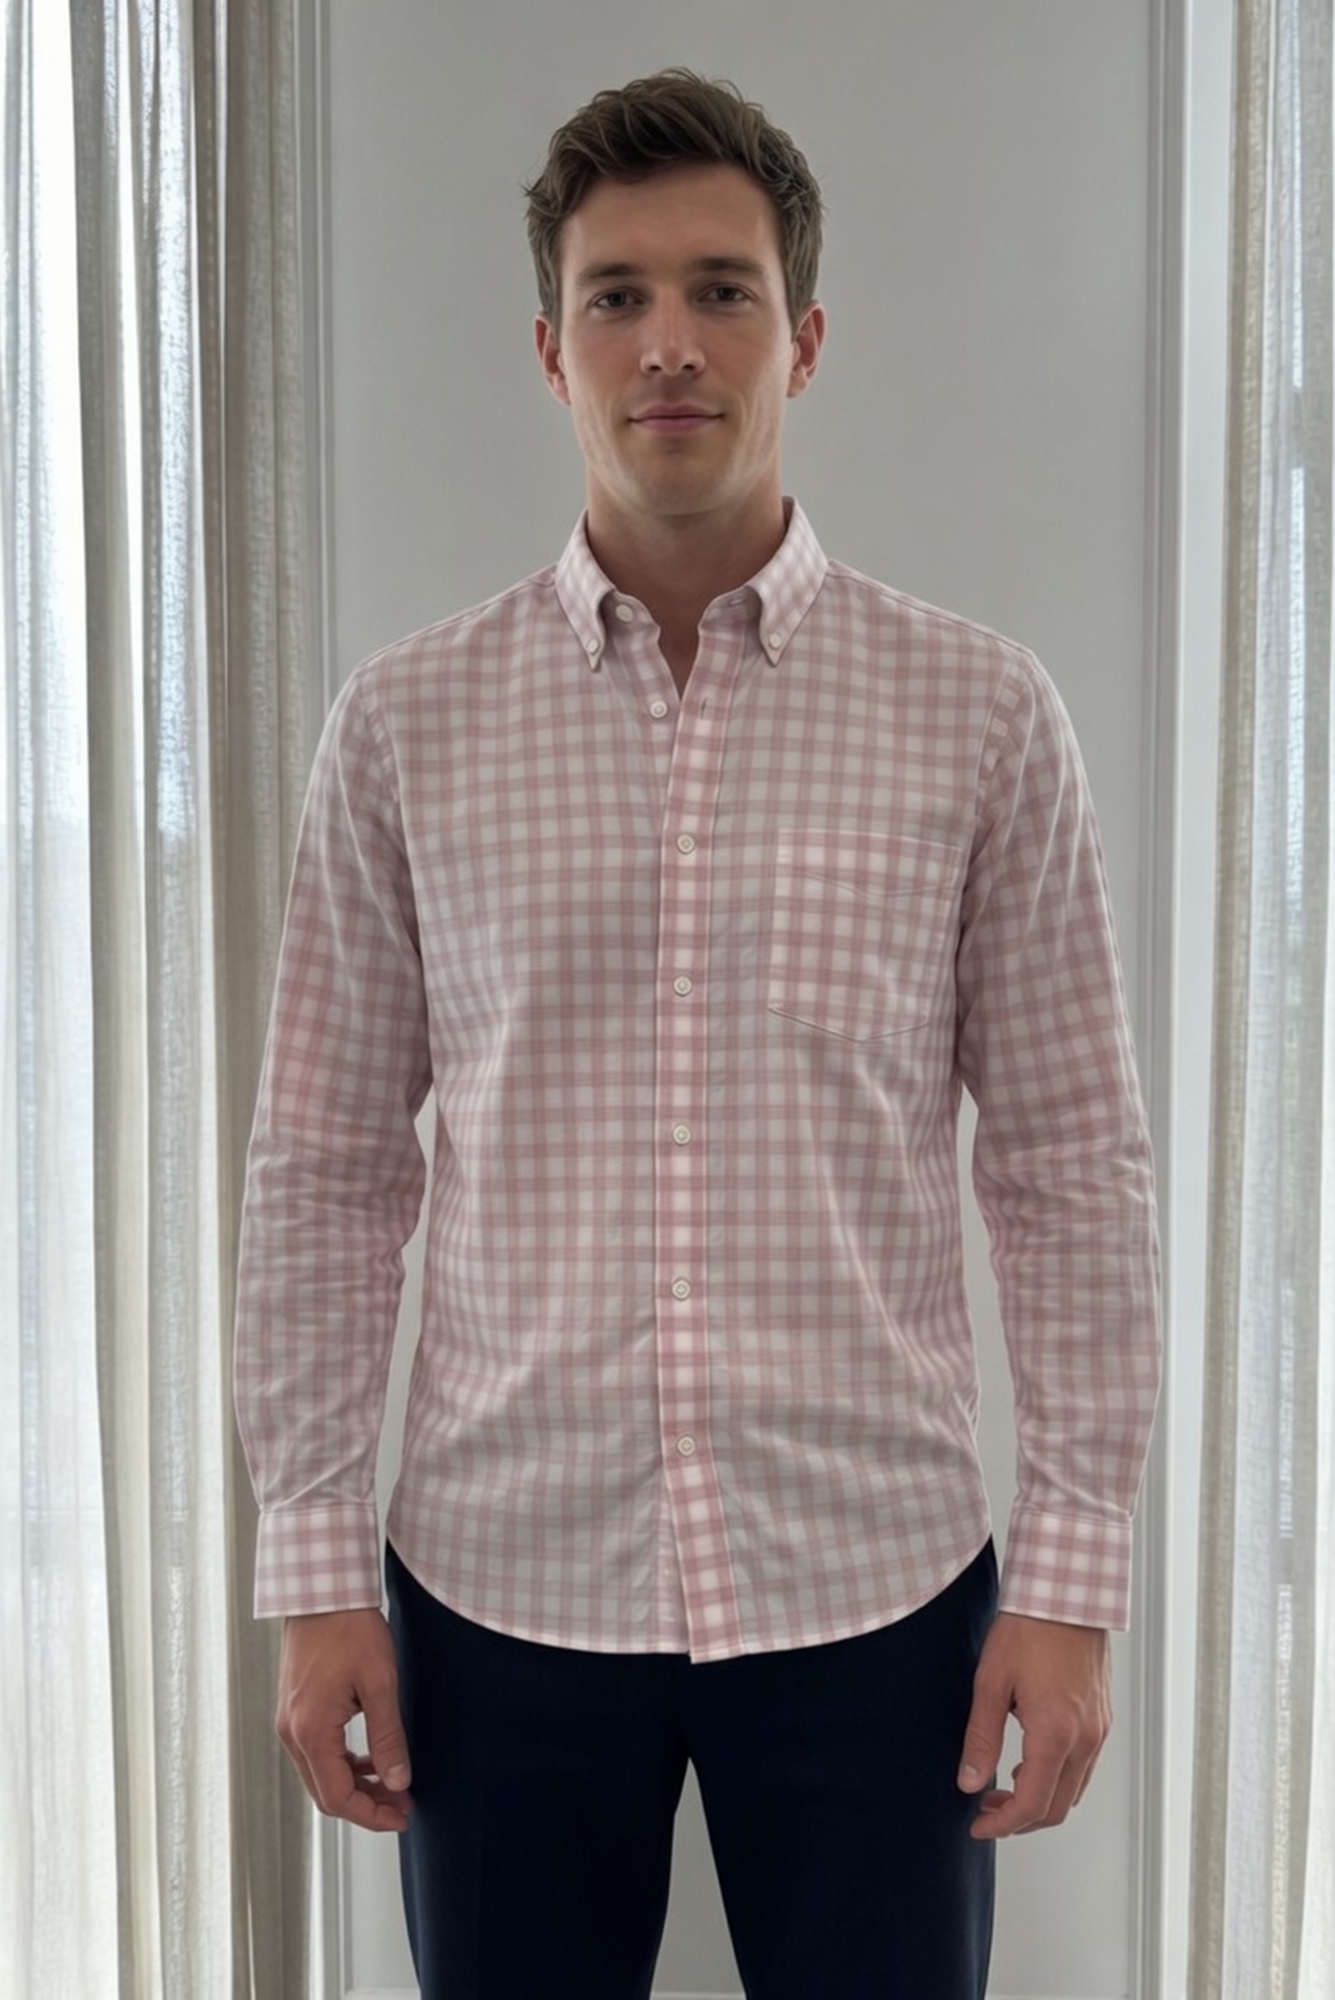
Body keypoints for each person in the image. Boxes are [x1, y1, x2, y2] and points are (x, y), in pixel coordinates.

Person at [234, 69, 1161, 2000]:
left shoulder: (979, 717)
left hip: (873, 1589)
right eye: (619, 294)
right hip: (497, 1594)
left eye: (723, 291)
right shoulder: (407, 729)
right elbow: (324, 1171)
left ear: (803, 339)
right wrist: (315, 1564)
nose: (671, 343)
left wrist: (1070, 1580)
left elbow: (1072, 1167)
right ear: (547, 348)